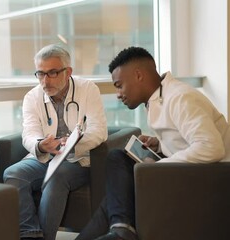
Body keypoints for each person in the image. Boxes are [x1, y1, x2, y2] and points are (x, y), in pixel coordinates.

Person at [76, 46, 230, 240]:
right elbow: (186, 136)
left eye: (119, 85)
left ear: (138, 75)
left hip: (210, 179)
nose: (118, 94)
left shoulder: (181, 98)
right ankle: (121, 229)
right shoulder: (160, 97)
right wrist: (160, 143)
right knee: (117, 166)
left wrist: (156, 168)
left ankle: (121, 230)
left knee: (118, 187)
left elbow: (211, 147)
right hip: (191, 172)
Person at [3, 44, 108, 240]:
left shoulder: (87, 89)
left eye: (52, 73)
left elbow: (99, 130)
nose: (45, 81)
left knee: (57, 175)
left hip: (77, 159)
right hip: (46, 156)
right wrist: (41, 145)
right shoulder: (32, 97)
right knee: (13, 173)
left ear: (68, 72)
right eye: (40, 74)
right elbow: (29, 133)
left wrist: (75, 143)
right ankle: (31, 234)